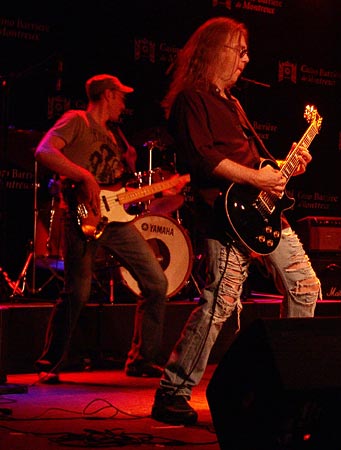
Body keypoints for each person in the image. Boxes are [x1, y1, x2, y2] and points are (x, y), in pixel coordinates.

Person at [150, 17, 321, 425]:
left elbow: (252, 163)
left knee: (305, 287)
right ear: (214, 51)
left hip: (261, 212)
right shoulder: (191, 100)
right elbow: (202, 159)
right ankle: (172, 391)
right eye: (239, 51)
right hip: (225, 214)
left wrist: (283, 168)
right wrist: (258, 178)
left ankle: (288, 383)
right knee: (220, 301)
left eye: (246, 52)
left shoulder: (232, 103)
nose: (246, 60)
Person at [33, 74, 174, 383]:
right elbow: (44, 150)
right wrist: (83, 175)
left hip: (116, 222)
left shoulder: (114, 136)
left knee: (156, 283)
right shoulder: (77, 120)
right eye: (121, 97)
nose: (123, 104)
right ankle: (49, 362)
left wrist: (156, 187)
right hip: (83, 217)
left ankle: (142, 360)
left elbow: (117, 189)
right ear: (108, 95)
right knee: (78, 292)